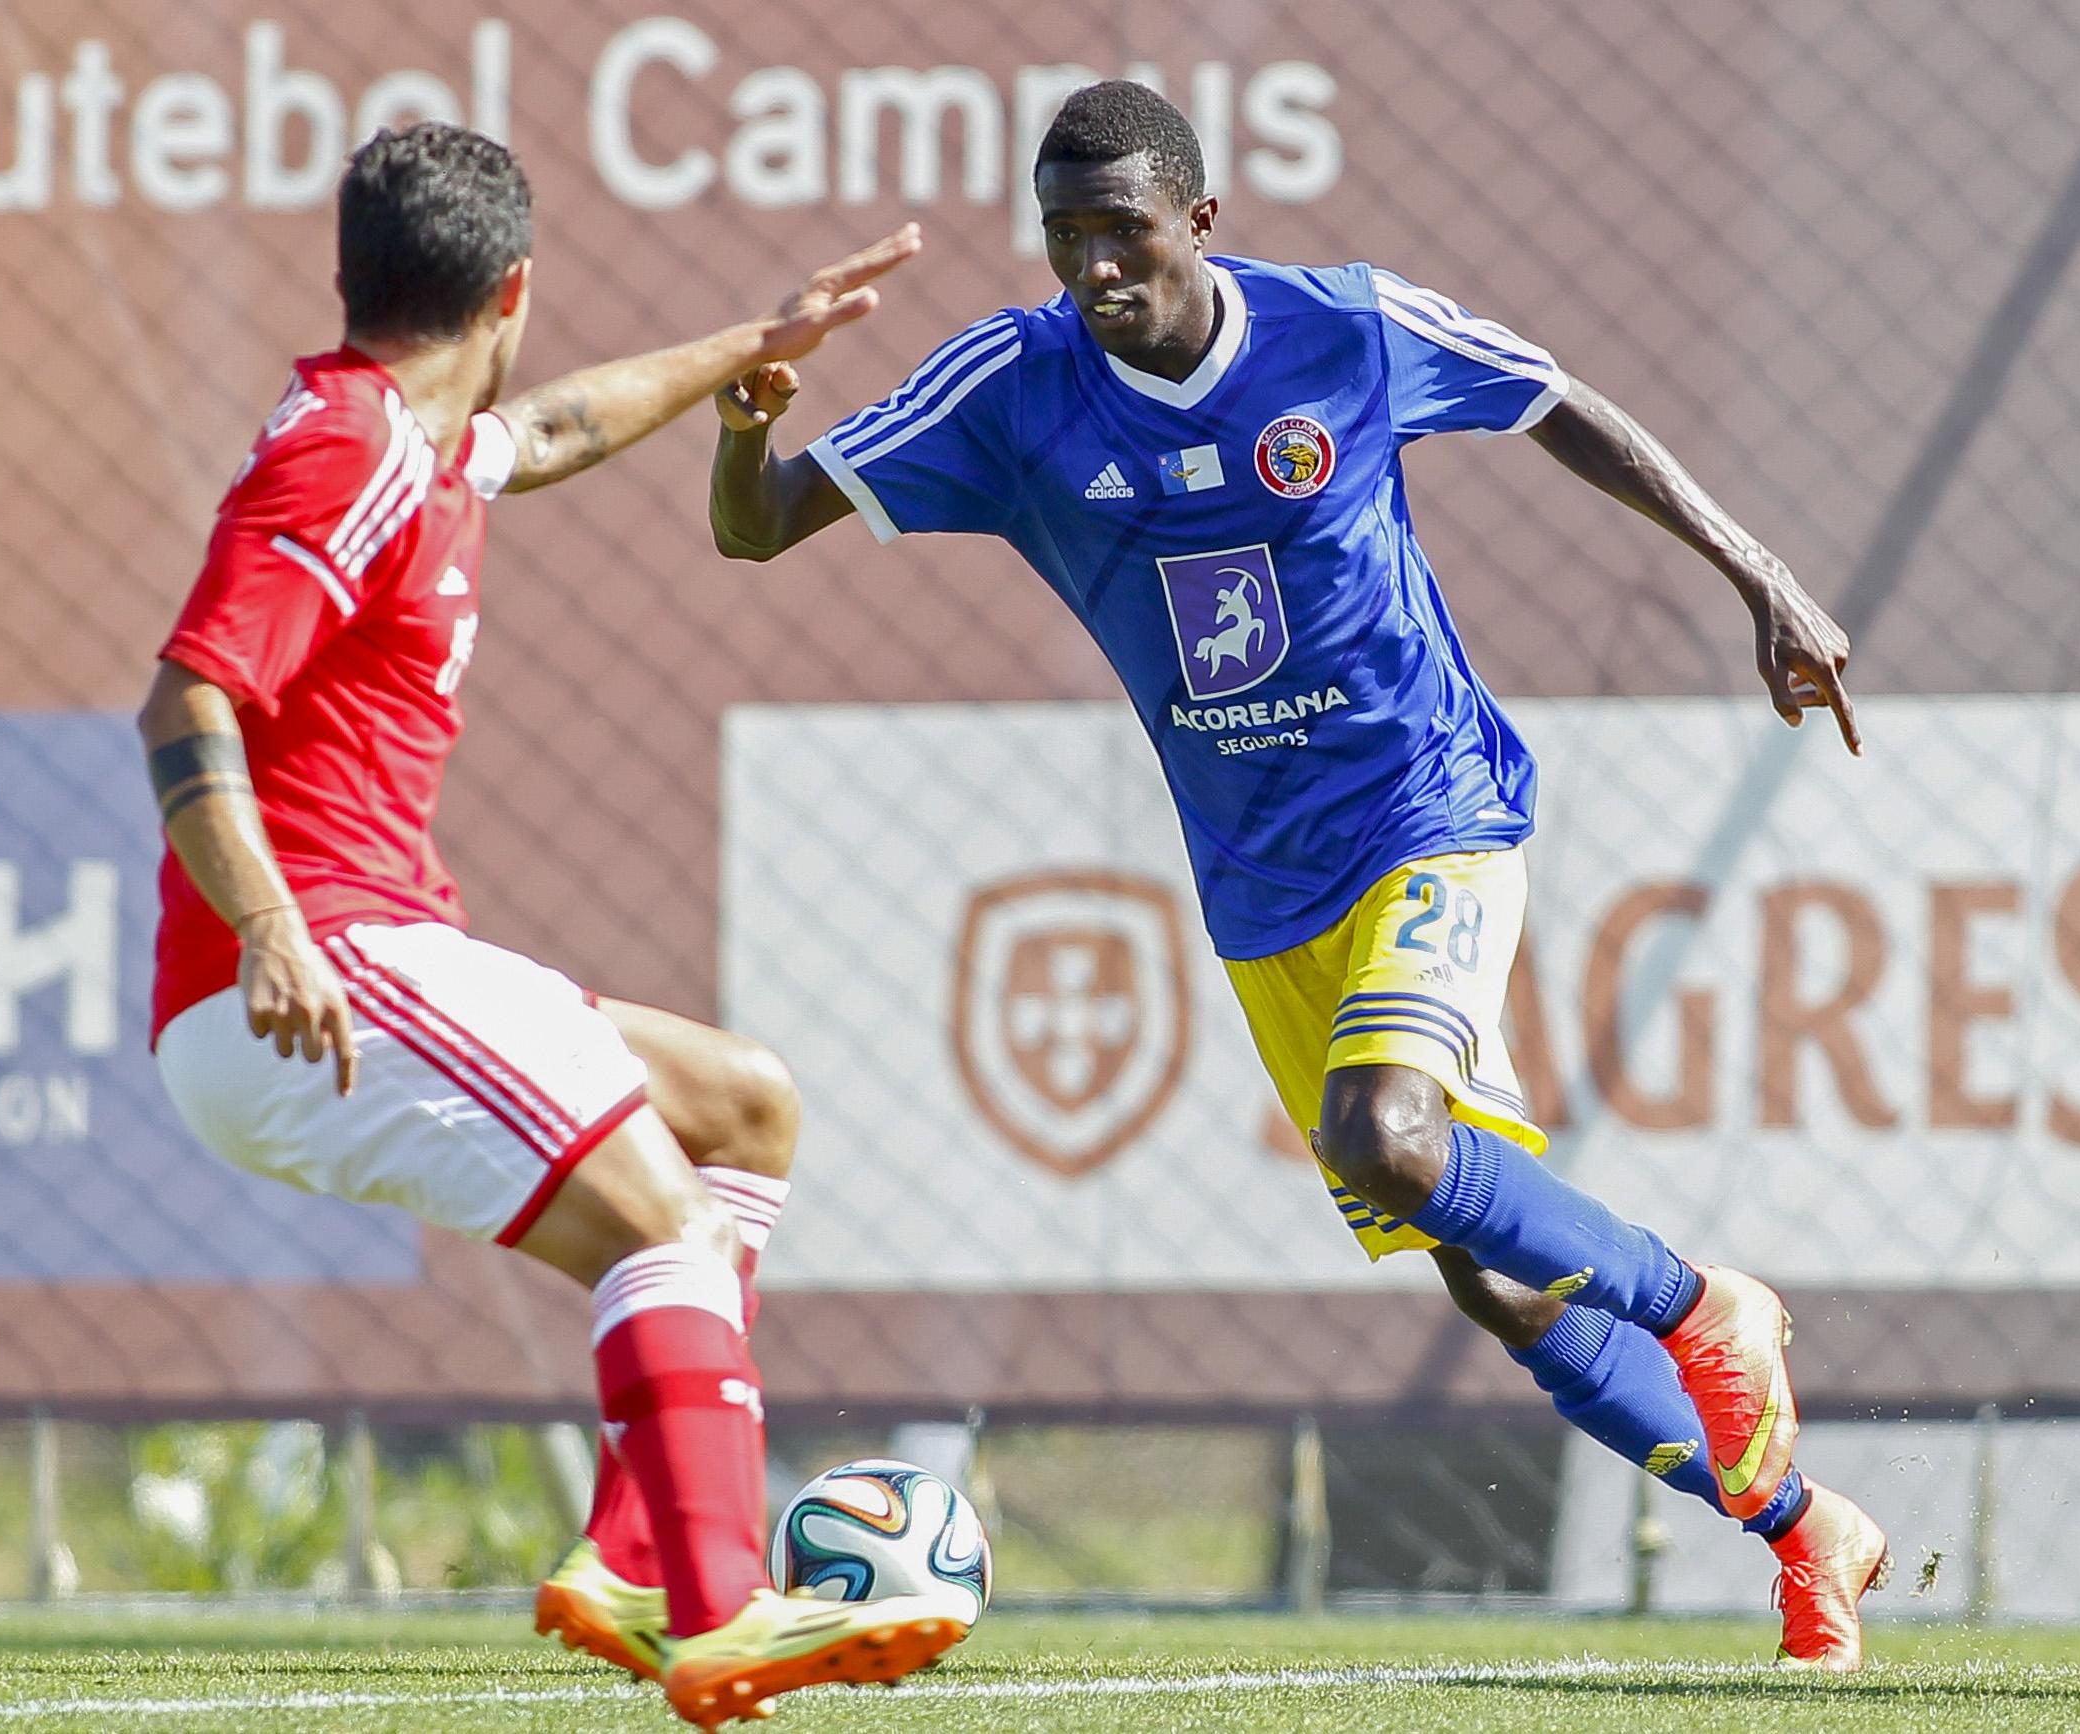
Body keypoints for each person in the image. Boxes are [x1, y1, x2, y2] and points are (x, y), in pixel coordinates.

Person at [706, 80, 1888, 1668]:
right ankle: (1808, 1529)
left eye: (1120, 231)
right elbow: (759, 528)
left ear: (1198, 220)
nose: (1092, 270)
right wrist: (743, 417)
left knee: (1386, 1135)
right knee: (1496, 1284)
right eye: (1063, 238)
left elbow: (1556, 403)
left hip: (1427, 812)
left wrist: (1764, 578)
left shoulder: (1345, 332)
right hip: (1262, 889)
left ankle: (1700, 1306)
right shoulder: (1013, 385)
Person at [138, 121, 940, 1728]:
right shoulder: (350, 456)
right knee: (666, 1224)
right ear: (515, 287)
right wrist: (276, 927)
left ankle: (637, 1557)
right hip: (310, 973)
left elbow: (557, 425)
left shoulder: (418, 433)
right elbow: (188, 698)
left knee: (739, 1109)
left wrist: (752, 346)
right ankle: (718, 1610)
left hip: (351, 955)